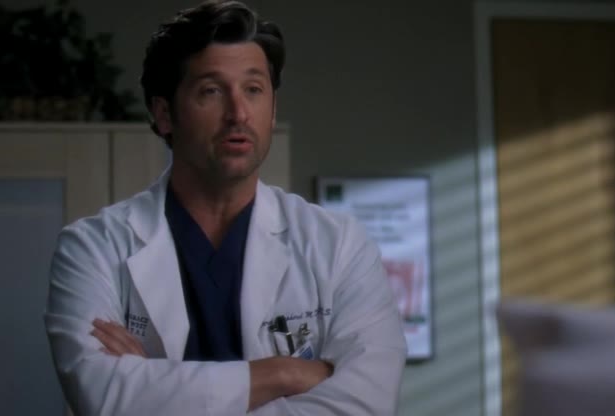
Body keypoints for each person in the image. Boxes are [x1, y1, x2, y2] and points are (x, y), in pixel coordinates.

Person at [44, 1, 407, 414]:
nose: (239, 113)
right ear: (164, 114)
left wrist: (155, 388)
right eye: (211, 91)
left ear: (272, 110)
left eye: (253, 89)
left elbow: (365, 404)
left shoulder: (339, 246)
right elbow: (105, 397)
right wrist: (282, 374)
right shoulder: (93, 248)